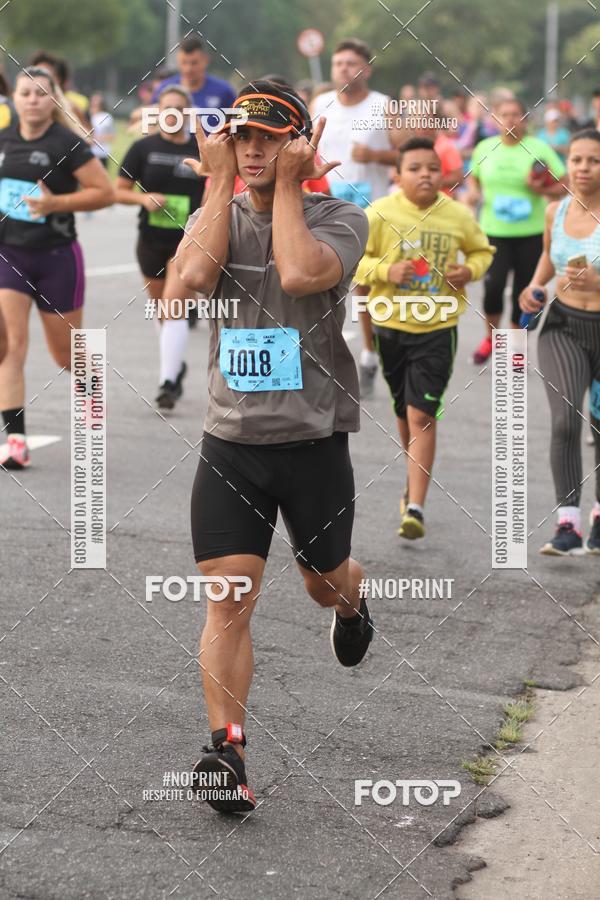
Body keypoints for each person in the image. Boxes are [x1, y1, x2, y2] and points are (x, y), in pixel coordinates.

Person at [176, 81, 372, 813]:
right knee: (228, 596)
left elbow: (299, 273)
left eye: (269, 138)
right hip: (232, 443)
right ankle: (226, 750)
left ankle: (353, 602)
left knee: (321, 583)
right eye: (240, 137)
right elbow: (190, 281)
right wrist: (218, 182)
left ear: (300, 144)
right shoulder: (215, 211)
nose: (253, 149)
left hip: (313, 442)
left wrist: (291, 185)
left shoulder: (340, 216)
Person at [355, 137, 494, 539]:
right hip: (391, 326)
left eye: (432, 168)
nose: (425, 175)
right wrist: (384, 271)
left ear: (442, 174)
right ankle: (411, 478)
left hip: (438, 327)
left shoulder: (457, 214)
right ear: (397, 175)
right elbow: (353, 262)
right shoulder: (379, 213)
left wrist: (470, 272)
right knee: (404, 411)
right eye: (414, 168)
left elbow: (483, 251)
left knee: (422, 414)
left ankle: (415, 507)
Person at [0, 67, 114, 469]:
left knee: (66, 354)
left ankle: (92, 406)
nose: (32, 99)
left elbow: (104, 194)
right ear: (14, 97)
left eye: (40, 93)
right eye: (25, 92)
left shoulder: (67, 143)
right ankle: (15, 439)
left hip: (57, 258)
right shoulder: (4, 140)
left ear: (54, 100)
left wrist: (53, 205)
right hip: (10, 256)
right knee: (10, 345)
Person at [519, 129, 600, 555]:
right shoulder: (556, 209)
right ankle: (567, 524)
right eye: (577, 159)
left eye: (594, 161)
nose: (583, 167)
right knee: (566, 419)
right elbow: (548, 257)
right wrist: (533, 288)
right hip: (563, 326)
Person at [310, 38, 397, 397]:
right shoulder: (320, 103)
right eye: (338, 63)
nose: (344, 69)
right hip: (326, 205)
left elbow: (407, 156)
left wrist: (376, 156)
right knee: (322, 280)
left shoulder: (383, 105)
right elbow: (307, 151)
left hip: (372, 207)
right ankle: (323, 354)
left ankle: (369, 351)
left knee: (365, 283)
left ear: (366, 69)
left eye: (351, 63)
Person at [115, 85, 206, 410]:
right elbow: (118, 190)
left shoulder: (201, 147)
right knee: (161, 309)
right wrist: (143, 198)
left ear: (188, 114)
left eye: (180, 109)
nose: (173, 115)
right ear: (157, 112)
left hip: (189, 240)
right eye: (167, 108)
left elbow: (217, 186)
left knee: (174, 306)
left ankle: (167, 382)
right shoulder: (143, 148)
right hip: (151, 238)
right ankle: (175, 364)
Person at [466, 97, 567, 365]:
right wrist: (474, 194)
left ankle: (515, 346)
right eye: (504, 114)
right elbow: (473, 177)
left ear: (524, 119)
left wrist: (542, 189)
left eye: (516, 114)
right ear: (495, 119)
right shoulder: (484, 148)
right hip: (494, 231)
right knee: (493, 287)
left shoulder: (539, 148)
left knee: (524, 291)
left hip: (531, 233)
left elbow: (564, 184)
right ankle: (491, 338)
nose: (510, 119)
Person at [151, 35, 235, 120]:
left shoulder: (224, 91)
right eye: (184, 62)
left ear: (206, 60)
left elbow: (236, 125)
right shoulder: (164, 90)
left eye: (194, 63)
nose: (188, 69)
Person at [89, 93, 115, 168]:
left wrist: (95, 139)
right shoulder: (87, 116)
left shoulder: (106, 116)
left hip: (102, 153)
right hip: (88, 153)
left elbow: (112, 136)